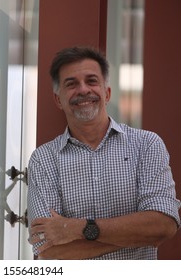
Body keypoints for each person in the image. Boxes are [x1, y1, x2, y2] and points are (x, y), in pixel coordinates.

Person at [27, 46, 180, 260]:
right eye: (71, 84)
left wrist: (77, 229)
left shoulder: (146, 145)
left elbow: (163, 225)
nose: (83, 90)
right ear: (58, 100)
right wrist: (135, 236)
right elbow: (48, 252)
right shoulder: (43, 160)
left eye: (92, 81)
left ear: (106, 93)